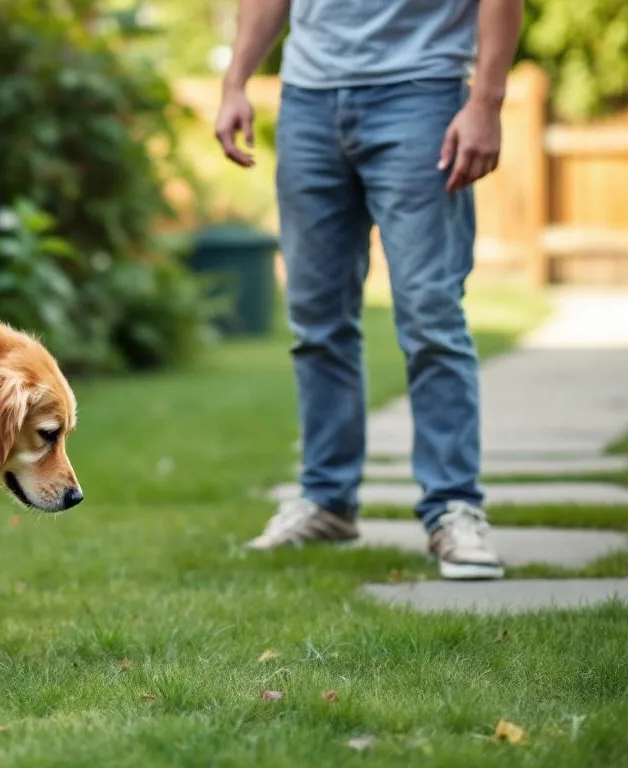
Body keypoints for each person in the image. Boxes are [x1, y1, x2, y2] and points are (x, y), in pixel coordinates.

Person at [214, 0, 523, 579]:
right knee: (316, 324)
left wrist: (486, 102)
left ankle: (454, 506)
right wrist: (235, 81)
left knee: (431, 314)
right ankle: (327, 501)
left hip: (423, 91)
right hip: (307, 100)